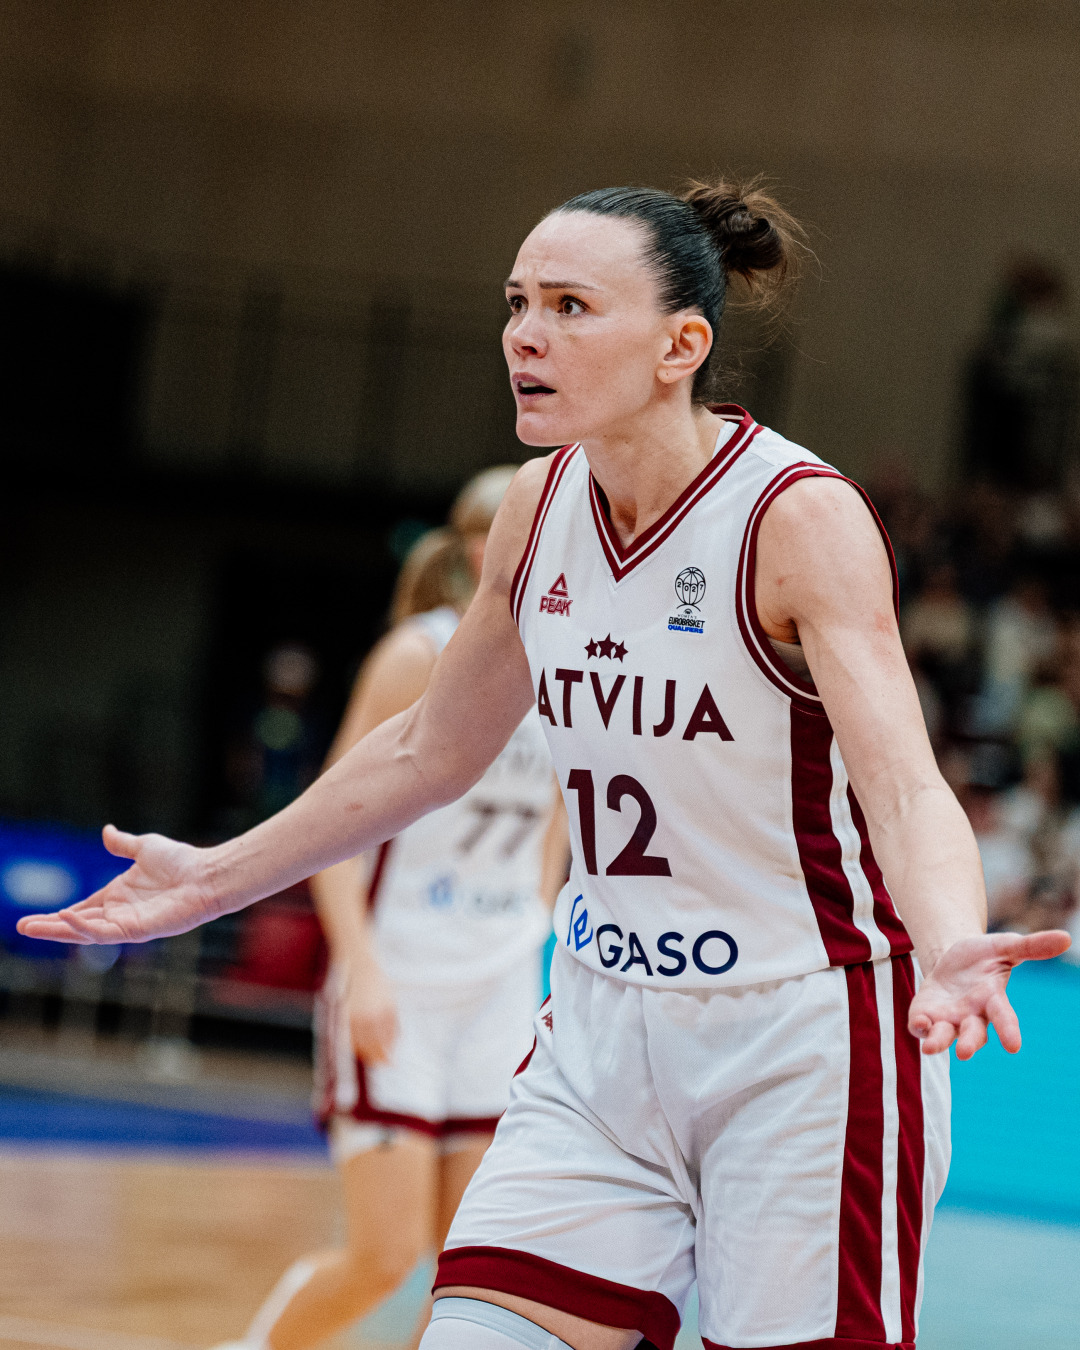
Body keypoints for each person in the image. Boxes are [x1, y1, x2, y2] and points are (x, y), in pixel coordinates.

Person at [21, 177, 1071, 1350]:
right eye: (518, 302)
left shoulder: (795, 517)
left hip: (802, 1037)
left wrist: (949, 938)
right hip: (602, 1032)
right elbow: (428, 747)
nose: (525, 333)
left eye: (571, 306)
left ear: (681, 346)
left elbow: (907, 784)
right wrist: (216, 876)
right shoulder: (538, 506)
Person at [213, 469, 568, 1350]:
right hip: (402, 972)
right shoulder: (419, 653)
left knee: (468, 1268)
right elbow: (332, 821)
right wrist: (361, 969)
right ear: (482, 548)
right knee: (385, 1256)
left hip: (497, 977)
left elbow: (563, 808)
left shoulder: (572, 654)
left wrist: (538, 910)